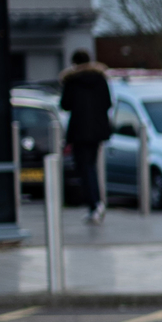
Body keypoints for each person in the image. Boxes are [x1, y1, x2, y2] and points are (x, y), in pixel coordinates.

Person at [56, 49, 111, 224]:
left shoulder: (72, 81)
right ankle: (96, 203)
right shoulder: (100, 79)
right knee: (91, 166)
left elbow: (65, 104)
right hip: (97, 131)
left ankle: (94, 204)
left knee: (84, 168)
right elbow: (108, 103)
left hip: (79, 131)